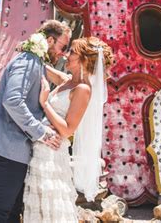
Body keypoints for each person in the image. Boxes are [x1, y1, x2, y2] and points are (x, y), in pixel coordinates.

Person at [0, 20, 72, 223]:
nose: (64, 53)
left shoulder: (34, 62)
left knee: (11, 212)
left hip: (10, 148)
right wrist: (42, 132)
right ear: (49, 40)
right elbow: (12, 100)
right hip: (7, 148)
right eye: (62, 47)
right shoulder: (28, 61)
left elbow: (68, 81)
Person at [23, 36, 114, 223]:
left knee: (49, 208)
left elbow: (67, 130)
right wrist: (31, 49)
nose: (66, 55)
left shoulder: (83, 89)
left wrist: (44, 104)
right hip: (39, 146)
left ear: (84, 60)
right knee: (37, 208)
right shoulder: (66, 80)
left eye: (72, 52)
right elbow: (42, 68)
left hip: (51, 154)